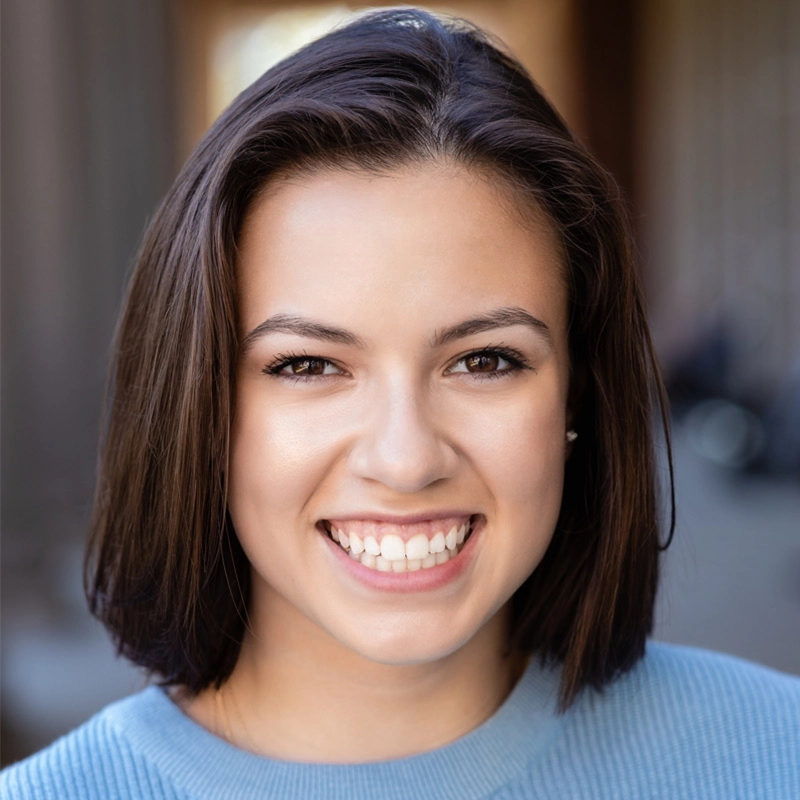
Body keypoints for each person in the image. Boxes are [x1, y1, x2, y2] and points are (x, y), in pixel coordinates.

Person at [2, 8, 798, 799]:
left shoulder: (773, 754)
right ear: (202, 406)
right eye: (309, 365)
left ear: (574, 397)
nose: (406, 459)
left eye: (484, 361)